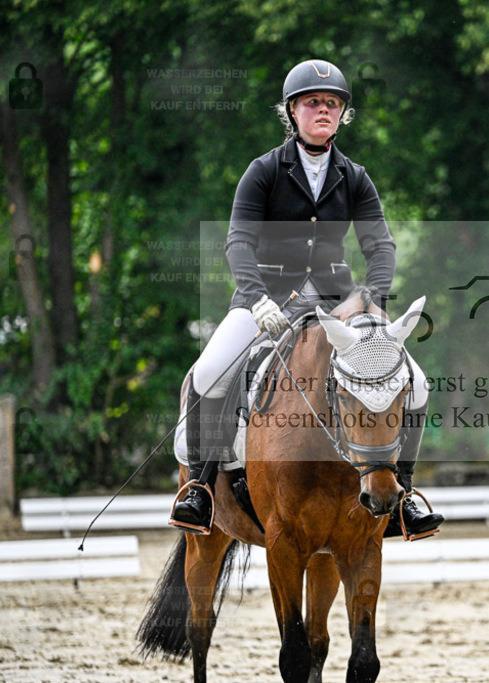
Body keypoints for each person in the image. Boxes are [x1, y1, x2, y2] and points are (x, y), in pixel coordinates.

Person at [171, 59, 444, 539]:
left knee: (417, 383)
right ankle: (199, 487)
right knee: (208, 374)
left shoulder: (355, 176)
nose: (324, 110)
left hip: (341, 301)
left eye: (333, 104)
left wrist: (374, 301)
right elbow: (238, 241)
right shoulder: (263, 172)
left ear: (342, 115)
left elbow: (380, 246)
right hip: (267, 298)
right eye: (314, 102)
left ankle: (403, 494)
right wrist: (255, 300)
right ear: (292, 111)